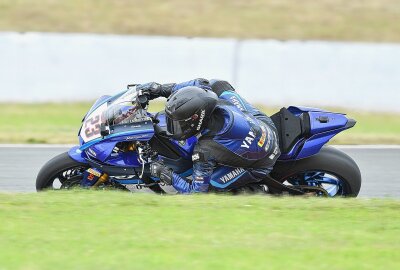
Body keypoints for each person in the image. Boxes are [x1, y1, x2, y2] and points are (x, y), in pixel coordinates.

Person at [138, 78, 280, 193]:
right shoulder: (209, 95)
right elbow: (200, 83)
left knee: (211, 185)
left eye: (177, 124)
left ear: (195, 120)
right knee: (217, 84)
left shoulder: (204, 150)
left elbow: (196, 192)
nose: (173, 128)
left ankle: (252, 191)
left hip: (263, 163)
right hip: (264, 125)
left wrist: (164, 173)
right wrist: (160, 89)